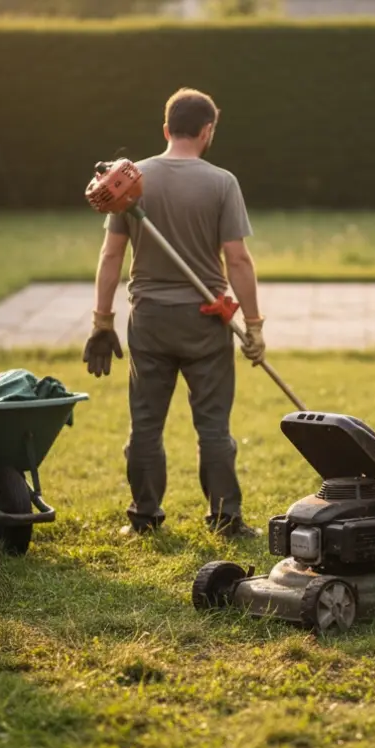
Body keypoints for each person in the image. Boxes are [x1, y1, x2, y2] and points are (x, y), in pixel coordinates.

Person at [84, 87, 266, 539]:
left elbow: (111, 258)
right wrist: (256, 326)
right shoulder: (222, 182)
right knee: (213, 427)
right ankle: (226, 518)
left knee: (145, 423)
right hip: (205, 320)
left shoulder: (131, 180)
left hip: (149, 319)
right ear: (208, 132)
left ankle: (144, 517)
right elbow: (238, 260)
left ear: (166, 129)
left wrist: (102, 321)